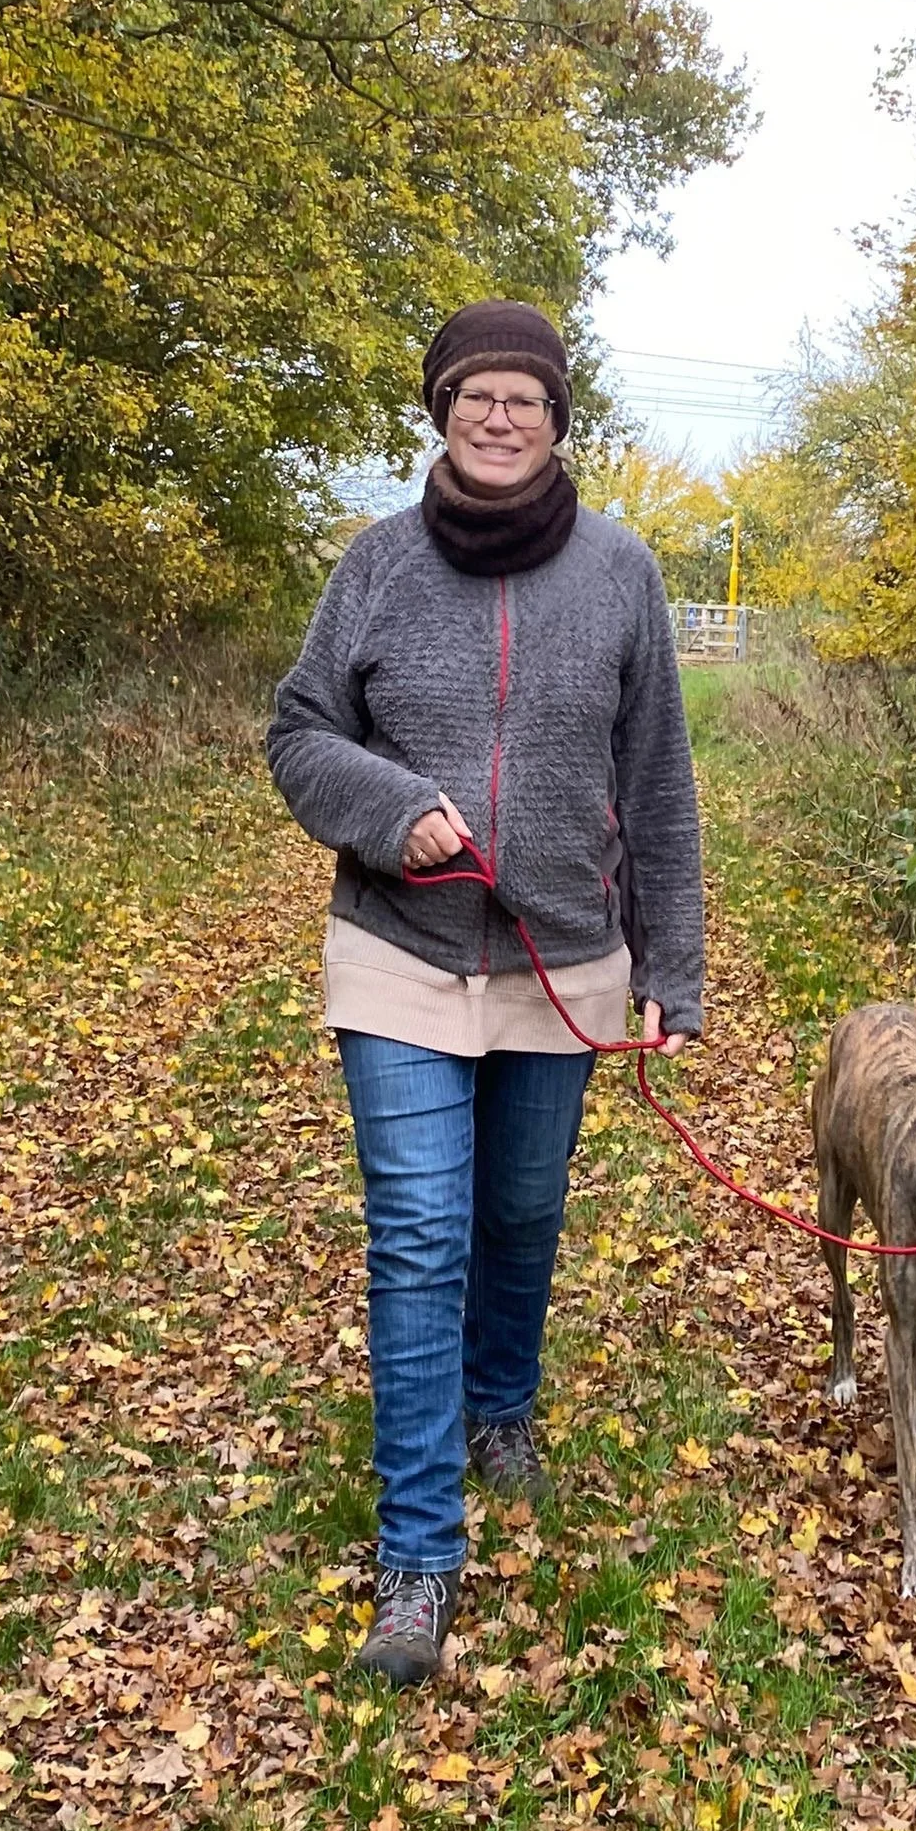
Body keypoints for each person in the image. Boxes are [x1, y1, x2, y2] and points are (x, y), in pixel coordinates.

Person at [266, 299, 704, 1687]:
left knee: (520, 1211)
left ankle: (501, 1404)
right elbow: (299, 732)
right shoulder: (377, 566)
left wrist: (672, 965)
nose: (499, 417)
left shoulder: (623, 572)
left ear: (558, 420)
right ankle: (418, 1559)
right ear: (441, 413)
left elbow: (660, 784)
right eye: (475, 396)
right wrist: (389, 809)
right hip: (399, 951)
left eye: (524, 397)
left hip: (564, 960)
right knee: (418, 1235)